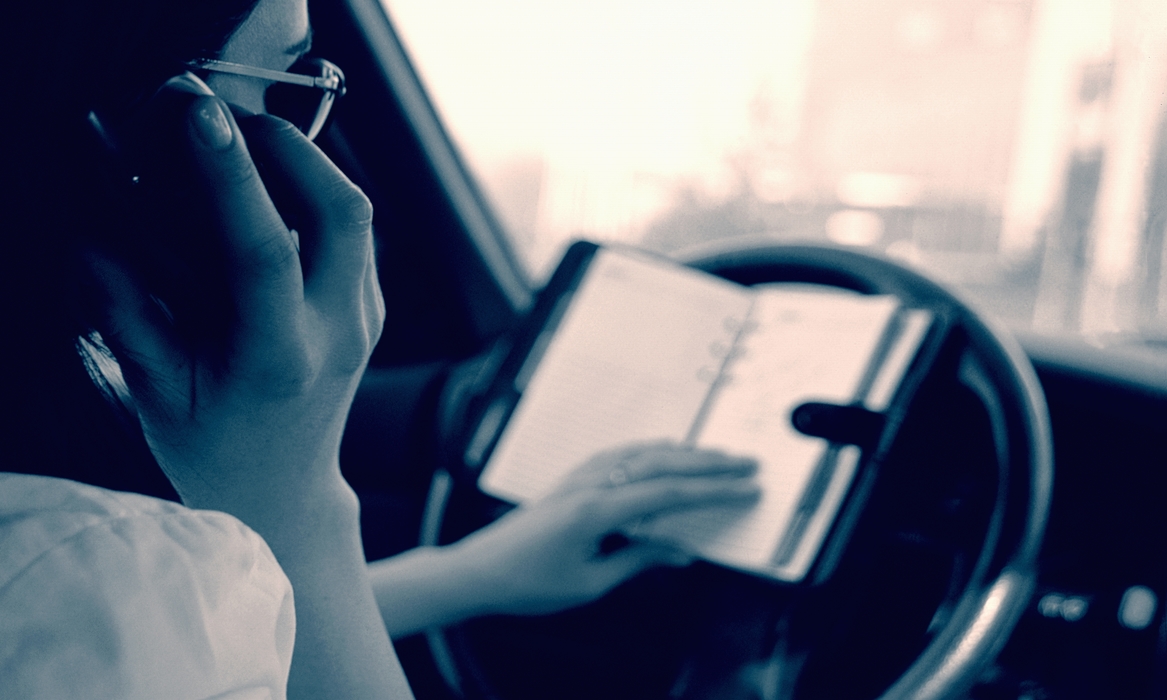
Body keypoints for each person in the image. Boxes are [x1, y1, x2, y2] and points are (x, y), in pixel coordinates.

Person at [0, 0, 760, 698]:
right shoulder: (86, 576)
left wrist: (470, 576)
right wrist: (292, 502)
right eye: (278, 89)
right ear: (105, 136)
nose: (299, 153)